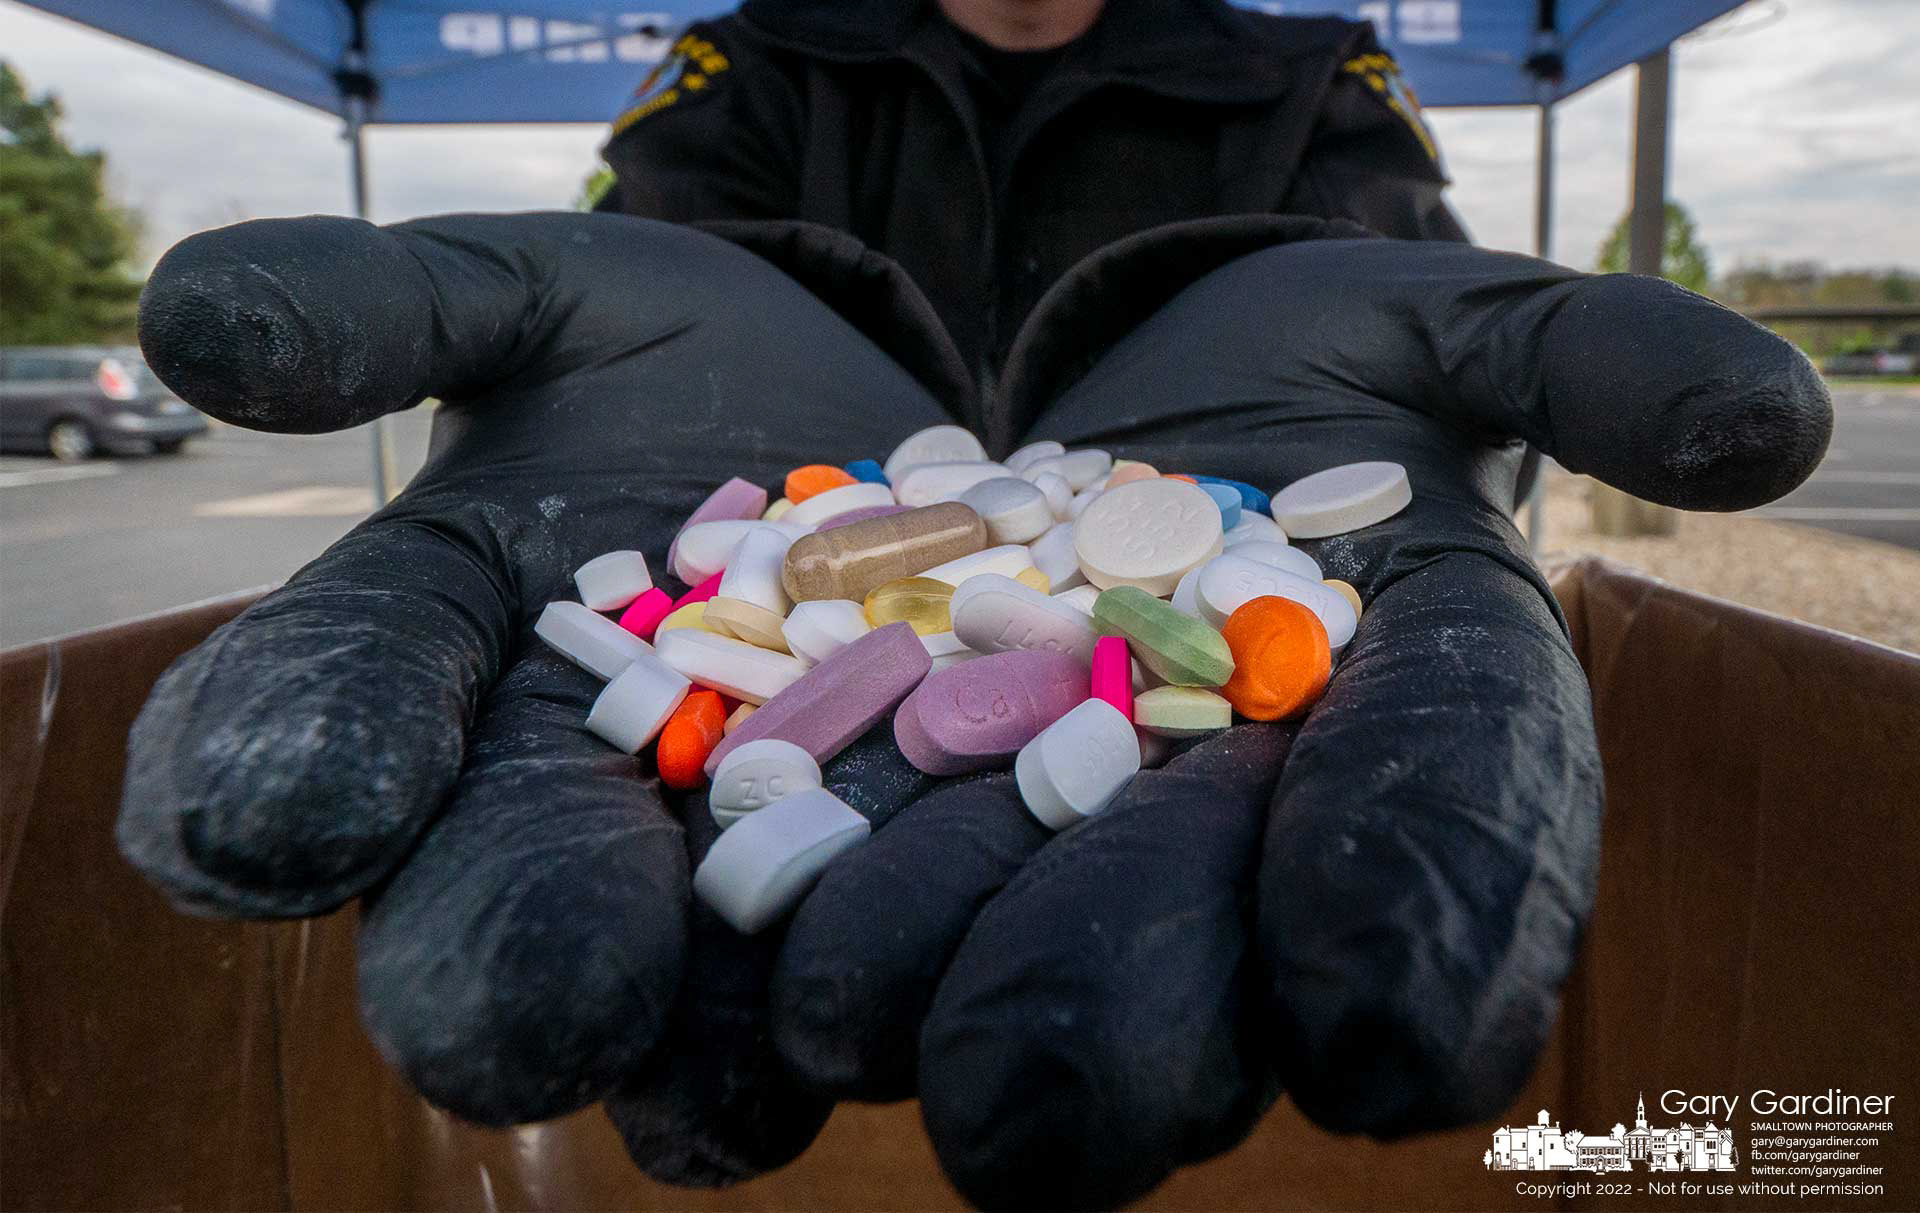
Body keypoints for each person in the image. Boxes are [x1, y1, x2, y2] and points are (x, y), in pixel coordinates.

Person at [117, 0, 1831, 1208]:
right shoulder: (751, 62)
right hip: (835, 547)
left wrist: (1371, 389)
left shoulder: (1312, 75)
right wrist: (663, 351)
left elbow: (1433, 354)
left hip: (1163, 549)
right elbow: (633, 271)